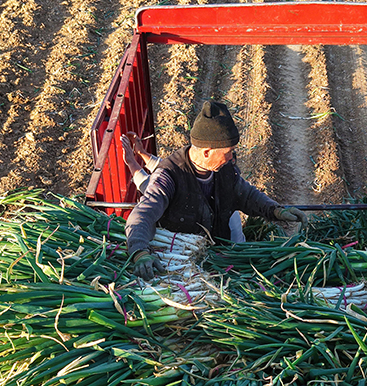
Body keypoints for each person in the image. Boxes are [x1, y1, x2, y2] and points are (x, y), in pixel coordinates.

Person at [124, 100, 307, 279]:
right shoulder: (169, 176)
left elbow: (247, 195)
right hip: (183, 271)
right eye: (229, 151)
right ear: (207, 152)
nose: (232, 157)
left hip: (217, 262)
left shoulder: (223, 169)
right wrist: (140, 251)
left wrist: (275, 210)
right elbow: (143, 215)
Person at [122, 131, 246, 243]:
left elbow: (158, 188)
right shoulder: (214, 184)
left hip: (221, 253)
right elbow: (172, 172)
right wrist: (142, 153)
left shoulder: (201, 200)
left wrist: (131, 162)